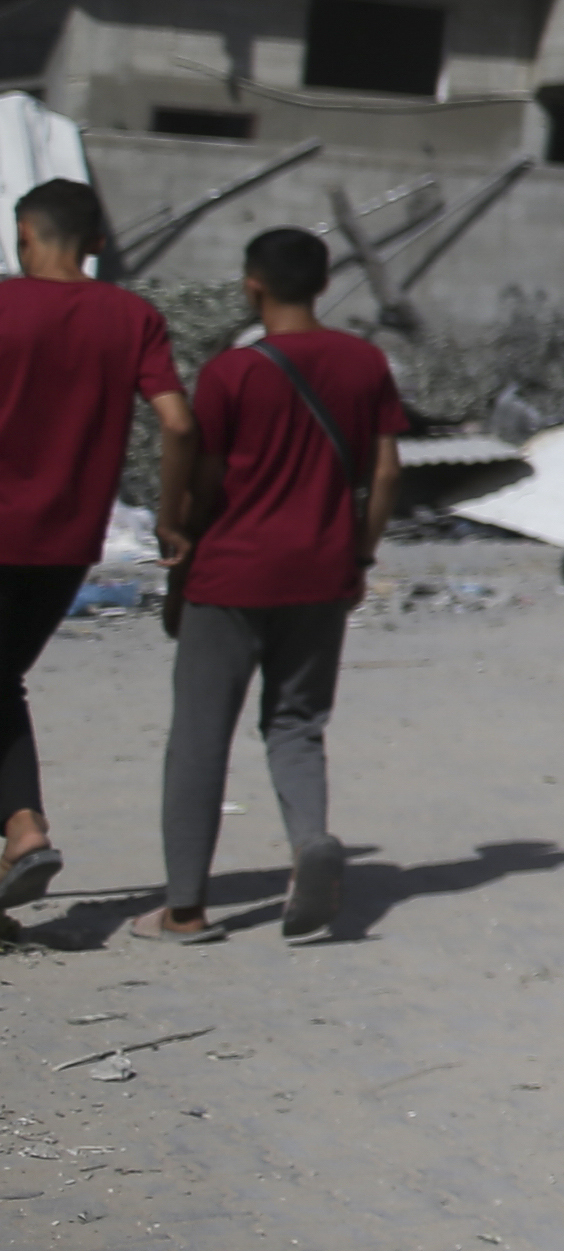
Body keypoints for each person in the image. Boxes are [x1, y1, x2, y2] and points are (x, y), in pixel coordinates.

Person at [153, 225, 402, 945]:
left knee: (200, 734)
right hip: (322, 574)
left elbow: (204, 476)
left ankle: (185, 909)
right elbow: (385, 473)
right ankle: (309, 844)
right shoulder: (365, 363)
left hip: (231, 573)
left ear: (250, 284)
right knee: (296, 725)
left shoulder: (234, 372)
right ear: (324, 285)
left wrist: (177, 537)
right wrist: (359, 556)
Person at [0, 178, 193, 919]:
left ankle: (24, 829)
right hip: (66, 541)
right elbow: (177, 422)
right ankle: (22, 833)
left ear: (25, 236)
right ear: (99, 244)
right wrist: (172, 518)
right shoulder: (131, 317)